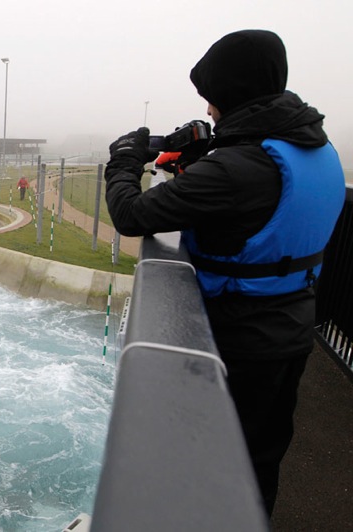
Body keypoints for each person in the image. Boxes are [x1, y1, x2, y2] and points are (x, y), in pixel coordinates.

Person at [104, 29, 345, 516]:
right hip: (294, 325)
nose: (209, 111)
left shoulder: (238, 169)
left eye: (212, 98)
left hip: (240, 338)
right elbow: (253, 212)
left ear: (232, 93)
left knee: (209, 469)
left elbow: (132, 215)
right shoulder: (314, 146)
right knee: (260, 462)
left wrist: (124, 161)